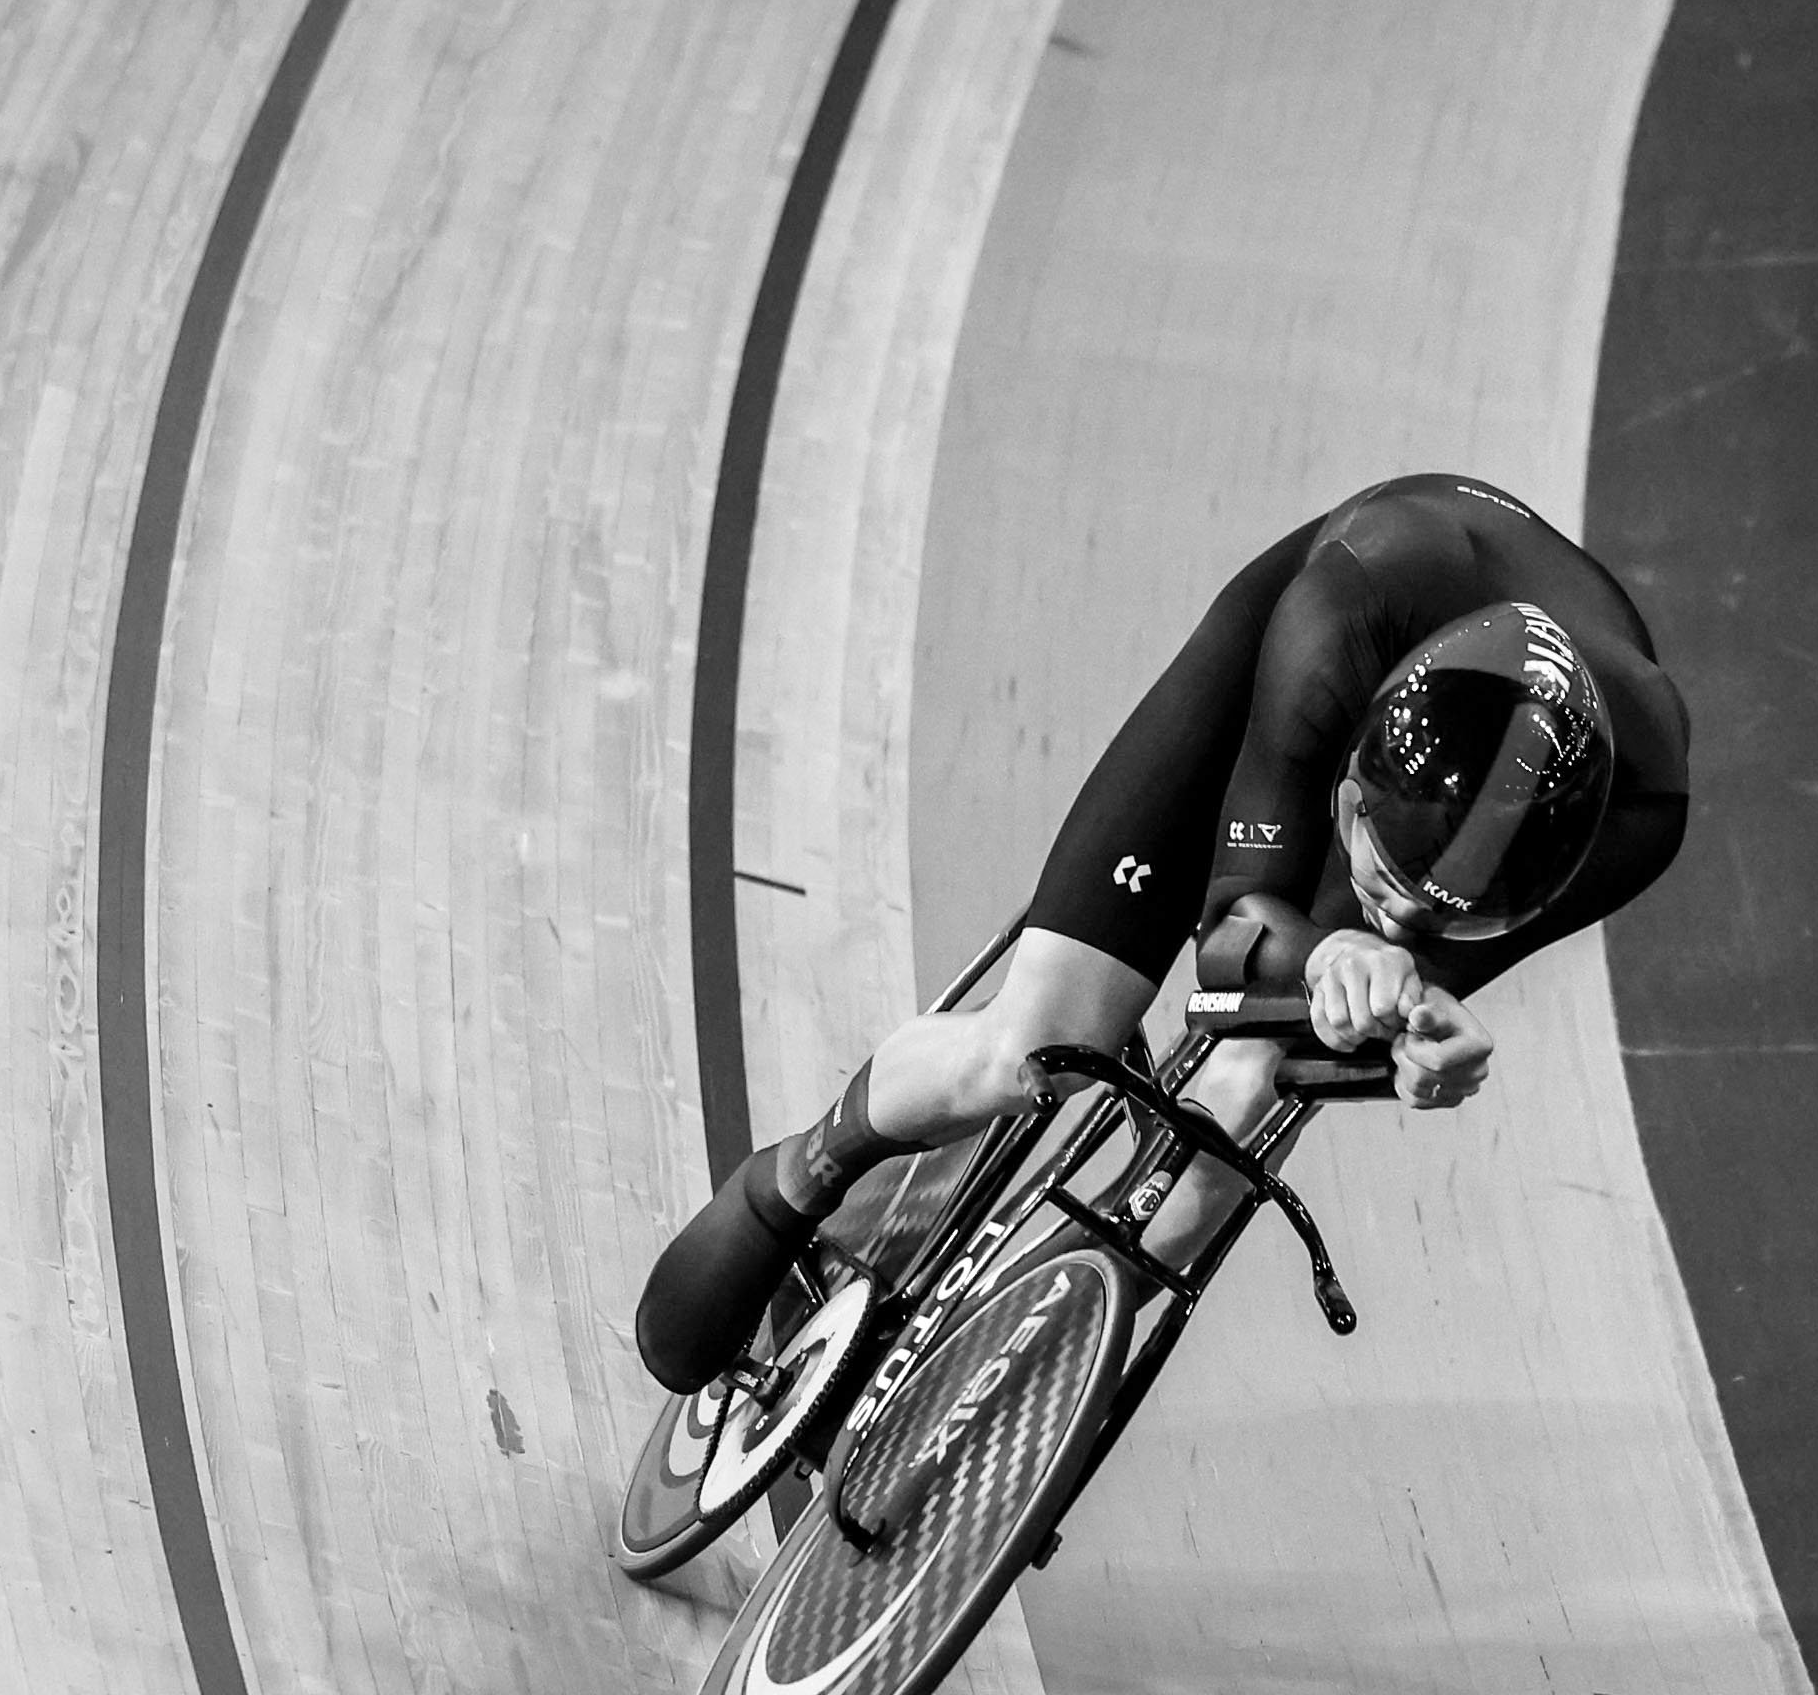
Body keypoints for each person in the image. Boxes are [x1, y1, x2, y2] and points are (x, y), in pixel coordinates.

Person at [634, 474, 1690, 1394]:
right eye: (1388, 882)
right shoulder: (1341, 624)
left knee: (1229, 1126)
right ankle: (807, 1173)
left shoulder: (1633, 820)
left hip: (1481, 774)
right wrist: (1331, 949)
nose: (1400, 916)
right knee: (1022, 1050)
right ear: (1354, 790)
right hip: (1296, 664)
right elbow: (1227, 947)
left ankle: (1007, 1374)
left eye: (1438, 909)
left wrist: (1415, 1036)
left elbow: (1380, 999)